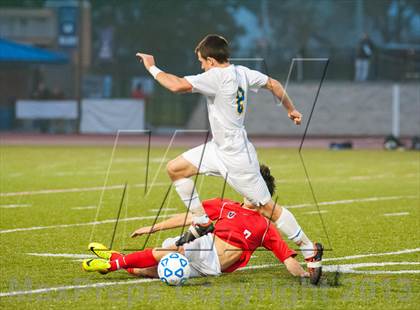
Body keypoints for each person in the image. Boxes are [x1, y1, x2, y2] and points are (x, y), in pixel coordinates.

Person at [135, 34, 322, 277]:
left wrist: (151, 66)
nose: (201, 66)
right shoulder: (242, 72)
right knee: (175, 168)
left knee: (266, 208)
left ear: (211, 60)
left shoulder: (216, 76)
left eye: (202, 61)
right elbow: (274, 84)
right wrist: (291, 109)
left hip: (236, 156)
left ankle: (310, 250)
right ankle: (202, 222)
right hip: (217, 148)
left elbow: (176, 85)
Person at [82, 165, 321, 284]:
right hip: (200, 245)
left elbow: (288, 259)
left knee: (154, 269)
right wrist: (152, 227)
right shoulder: (225, 205)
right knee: (152, 265)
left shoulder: (266, 227)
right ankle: (113, 262)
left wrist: (305, 277)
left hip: (212, 265)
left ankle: (113, 261)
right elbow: (189, 217)